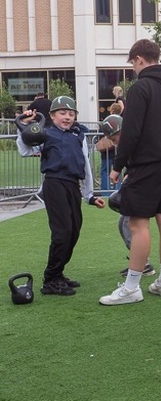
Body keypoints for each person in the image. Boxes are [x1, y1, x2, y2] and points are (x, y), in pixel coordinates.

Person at [100, 39, 161, 305]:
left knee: (138, 224)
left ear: (138, 59)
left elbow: (132, 131)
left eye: (132, 63)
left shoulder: (140, 88)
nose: (133, 68)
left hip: (147, 164)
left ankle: (132, 288)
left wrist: (117, 167)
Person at [16, 96, 105, 295]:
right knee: (62, 231)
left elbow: (86, 167)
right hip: (55, 184)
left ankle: (58, 273)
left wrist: (89, 195)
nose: (67, 117)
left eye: (71, 113)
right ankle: (50, 279)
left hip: (73, 186)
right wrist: (22, 127)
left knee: (73, 231)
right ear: (52, 116)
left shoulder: (78, 136)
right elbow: (24, 150)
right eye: (62, 113)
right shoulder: (45, 134)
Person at [99, 114, 156, 277]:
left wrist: (127, 175)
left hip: (143, 186)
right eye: (112, 139)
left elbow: (140, 164)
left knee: (130, 225)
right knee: (123, 224)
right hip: (137, 184)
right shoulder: (129, 143)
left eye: (116, 137)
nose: (115, 141)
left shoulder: (136, 141)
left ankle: (143, 263)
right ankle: (141, 261)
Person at [95, 102, 123, 192]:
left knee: (105, 171)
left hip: (106, 152)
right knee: (117, 170)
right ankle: (117, 190)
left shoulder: (106, 123)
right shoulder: (122, 121)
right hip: (116, 153)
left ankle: (105, 191)